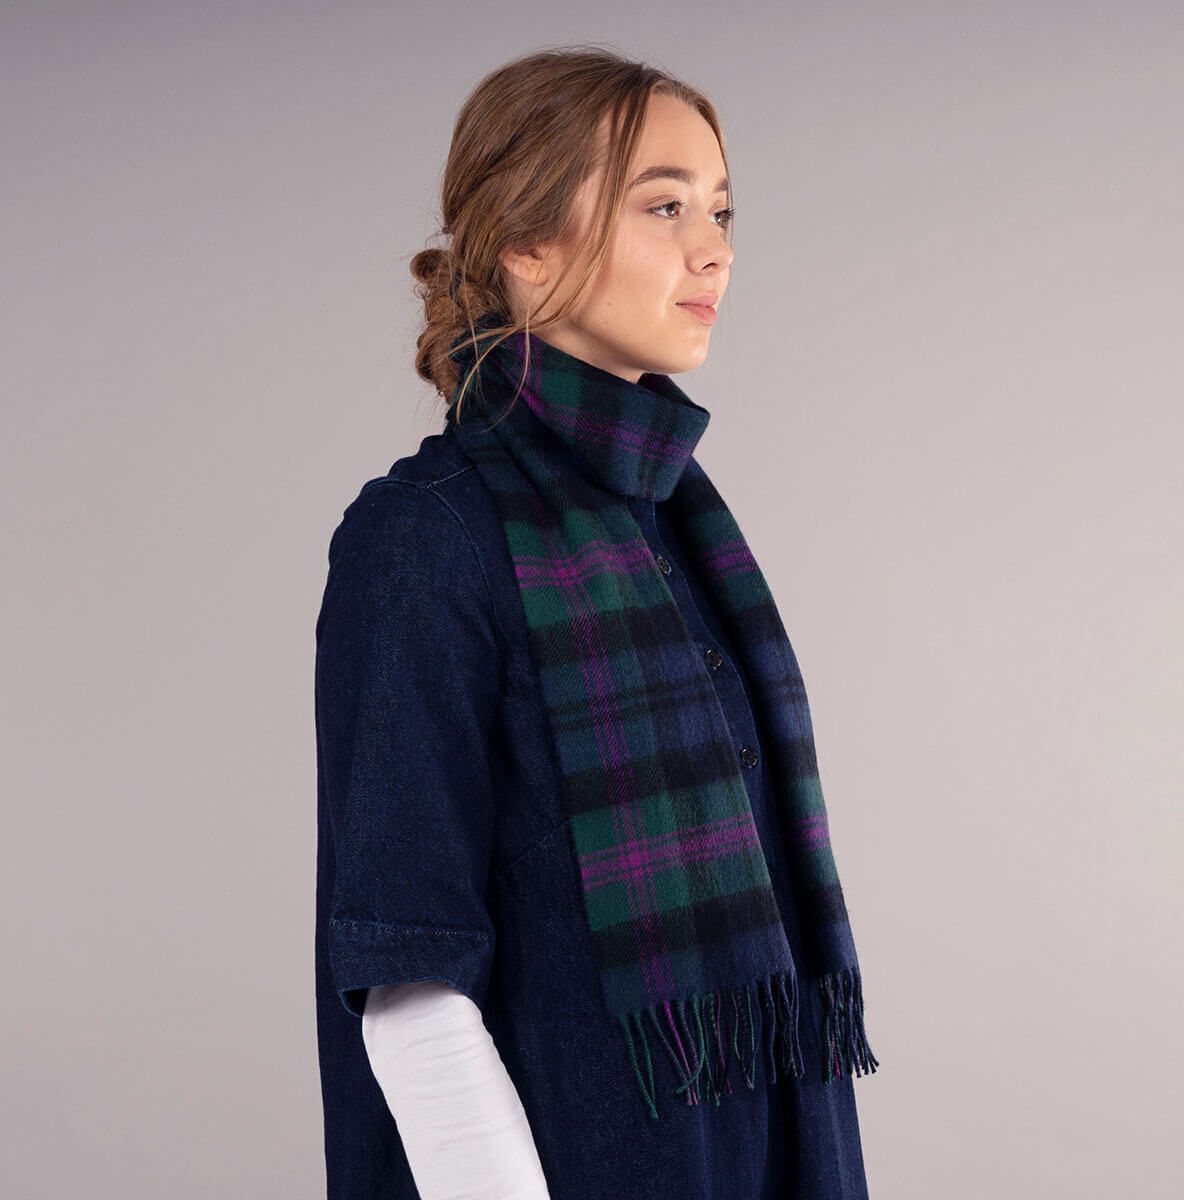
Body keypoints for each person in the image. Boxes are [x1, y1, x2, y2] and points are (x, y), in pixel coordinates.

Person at [314, 45, 878, 1200]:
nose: (714, 248)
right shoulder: (426, 537)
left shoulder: (678, 523)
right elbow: (409, 977)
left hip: (765, 1142)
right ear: (528, 243)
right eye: (665, 206)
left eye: (721, 210)